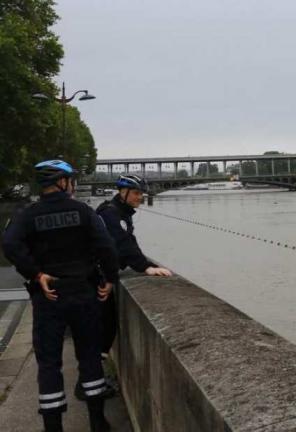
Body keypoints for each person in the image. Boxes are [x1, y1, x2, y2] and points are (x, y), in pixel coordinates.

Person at [1, 160, 119, 432]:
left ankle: (53, 427)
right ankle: (98, 422)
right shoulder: (84, 212)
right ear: (62, 182)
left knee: (49, 364)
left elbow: (9, 243)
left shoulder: (27, 214)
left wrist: (35, 274)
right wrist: (110, 278)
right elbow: (106, 247)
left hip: (48, 296)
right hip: (83, 293)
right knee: (90, 357)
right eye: (70, 179)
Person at [92, 175, 172, 385]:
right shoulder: (111, 214)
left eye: (142, 194)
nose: (141, 198)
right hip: (96, 277)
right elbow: (122, 245)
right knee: (103, 328)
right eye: (137, 193)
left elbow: (129, 242)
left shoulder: (118, 212)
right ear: (123, 192)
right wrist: (146, 267)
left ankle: (93, 377)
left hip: (102, 274)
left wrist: (146, 264)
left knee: (104, 328)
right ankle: (90, 380)